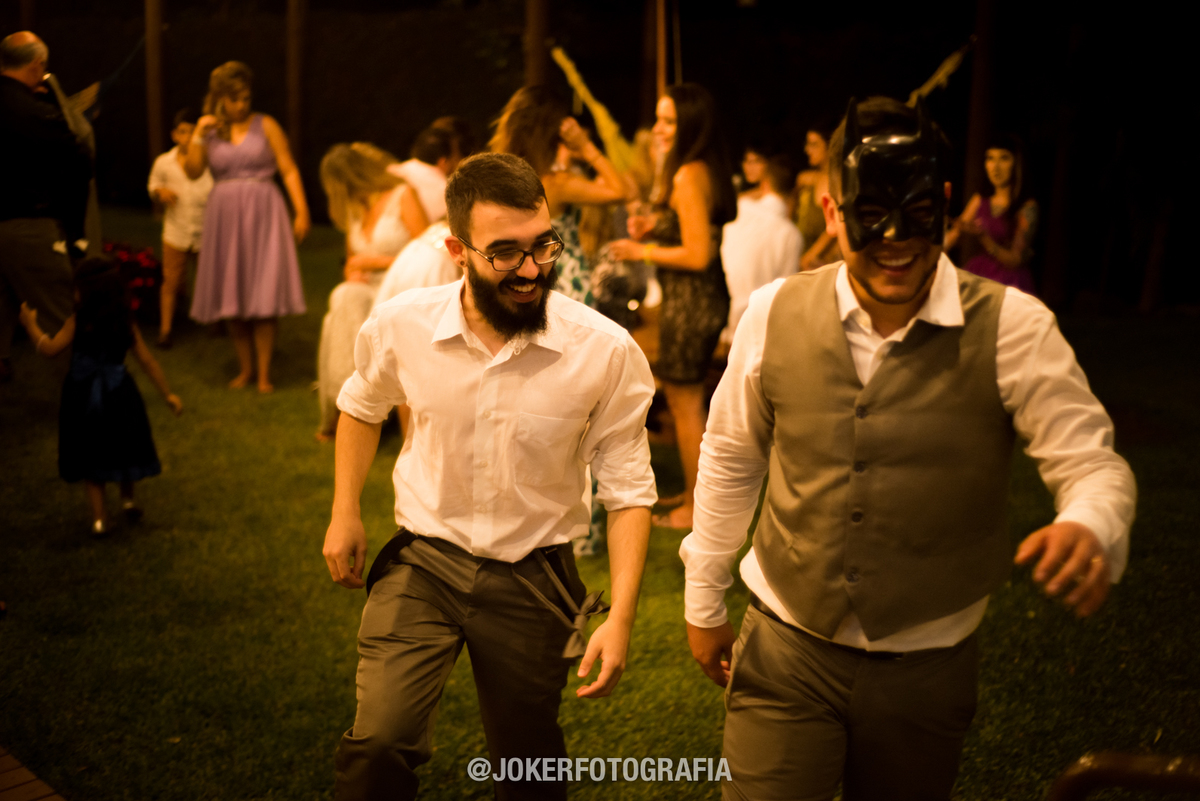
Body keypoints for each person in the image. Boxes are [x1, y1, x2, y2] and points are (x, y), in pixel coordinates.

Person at [681, 97, 1136, 800]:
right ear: (832, 212)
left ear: (945, 203)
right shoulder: (772, 312)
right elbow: (732, 454)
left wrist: (1090, 521)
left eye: (917, 212)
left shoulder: (1014, 326)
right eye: (870, 214)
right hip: (786, 646)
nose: (894, 238)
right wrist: (704, 593)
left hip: (928, 666)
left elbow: (1091, 461)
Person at [322, 153, 656, 801]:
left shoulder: (604, 349)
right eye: (505, 253)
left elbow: (628, 490)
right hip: (423, 565)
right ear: (457, 251)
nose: (531, 269)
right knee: (378, 744)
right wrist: (345, 510)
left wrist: (621, 616)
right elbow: (361, 405)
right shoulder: (403, 324)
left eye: (543, 246)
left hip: (534, 578)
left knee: (527, 764)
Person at [609, 82, 737, 531]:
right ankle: (694, 492)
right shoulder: (698, 170)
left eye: (669, 121)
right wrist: (656, 229)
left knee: (686, 405)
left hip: (692, 303)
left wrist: (639, 250)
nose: (659, 129)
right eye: (659, 120)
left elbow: (698, 254)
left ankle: (698, 509)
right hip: (699, 299)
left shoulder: (688, 174)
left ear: (690, 125)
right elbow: (692, 233)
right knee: (687, 403)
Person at [18, 258, 183, 536]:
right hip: (120, 392)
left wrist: (30, 325)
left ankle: (99, 520)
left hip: (83, 396)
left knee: (91, 454)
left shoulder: (77, 321)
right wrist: (167, 394)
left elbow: (50, 349)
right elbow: (147, 360)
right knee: (124, 447)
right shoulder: (125, 321)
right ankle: (128, 500)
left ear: (86, 291)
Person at [185, 61, 309, 394]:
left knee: (263, 292)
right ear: (220, 98)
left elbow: (288, 169)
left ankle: (265, 374)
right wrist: (198, 134)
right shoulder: (209, 131)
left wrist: (301, 210)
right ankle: (245, 369)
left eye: (246, 98)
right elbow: (193, 172)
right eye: (234, 99)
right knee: (232, 295)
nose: (241, 105)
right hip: (225, 217)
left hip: (263, 214)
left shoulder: (266, 125)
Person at [315, 142, 427, 441]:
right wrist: (353, 273)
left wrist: (375, 262)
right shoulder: (355, 210)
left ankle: (352, 403)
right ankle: (349, 397)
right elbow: (352, 260)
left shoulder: (402, 196)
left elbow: (427, 252)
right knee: (345, 295)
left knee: (346, 301)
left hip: (403, 287)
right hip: (368, 290)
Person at [0, 31, 91, 382]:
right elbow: (80, 157)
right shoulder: (35, 113)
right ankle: (82, 392)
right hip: (27, 224)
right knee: (59, 311)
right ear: (37, 66)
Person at [489, 85, 630, 307]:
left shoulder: (499, 178)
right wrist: (585, 146)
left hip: (524, 281)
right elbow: (621, 192)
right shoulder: (556, 183)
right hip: (566, 281)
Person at [147, 107, 213, 348]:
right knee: (171, 281)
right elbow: (153, 184)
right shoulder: (164, 162)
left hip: (205, 232)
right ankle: (166, 331)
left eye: (192, 132)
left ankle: (214, 321)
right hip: (176, 232)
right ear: (175, 135)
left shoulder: (210, 162)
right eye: (183, 132)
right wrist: (160, 192)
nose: (187, 137)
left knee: (208, 279)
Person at [720, 153, 801, 342]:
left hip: (722, 321)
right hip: (759, 330)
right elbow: (785, 294)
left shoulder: (738, 210)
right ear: (794, 193)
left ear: (764, 184)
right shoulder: (790, 233)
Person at [945, 135, 1038, 294]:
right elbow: (951, 238)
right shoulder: (979, 199)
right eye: (990, 158)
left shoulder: (1027, 207)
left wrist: (984, 238)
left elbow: (1015, 260)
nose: (995, 166)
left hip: (1009, 282)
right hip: (980, 274)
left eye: (1004, 158)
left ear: (1017, 163)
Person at [795, 123, 841, 271]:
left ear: (830, 147)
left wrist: (811, 256)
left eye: (814, 144)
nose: (807, 150)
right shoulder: (806, 179)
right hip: (800, 254)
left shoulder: (838, 182)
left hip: (819, 262)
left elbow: (835, 225)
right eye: (807, 144)